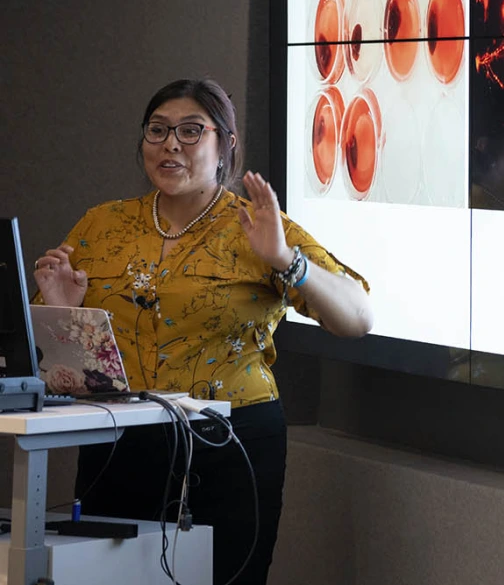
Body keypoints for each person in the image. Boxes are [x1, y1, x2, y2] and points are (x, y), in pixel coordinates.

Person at [32, 78, 372, 585]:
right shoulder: (101, 226)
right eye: (158, 130)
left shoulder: (255, 225)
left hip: (228, 443)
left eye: (191, 131)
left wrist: (283, 259)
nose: (171, 144)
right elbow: (59, 365)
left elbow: (358, 317)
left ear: (225, 146)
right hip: (119, 443)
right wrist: (61, 310)